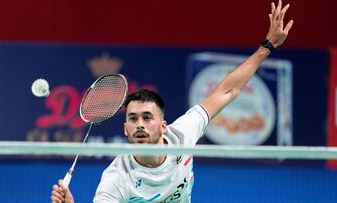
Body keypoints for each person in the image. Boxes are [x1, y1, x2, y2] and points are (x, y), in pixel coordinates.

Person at [51, 1, 293, 202]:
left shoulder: (183, 135)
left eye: (147, 117)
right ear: (125, 129)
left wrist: (267, 46)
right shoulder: (116, 178)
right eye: (133, 119)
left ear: (164, 125)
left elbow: (227, 91)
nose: (140, 125)